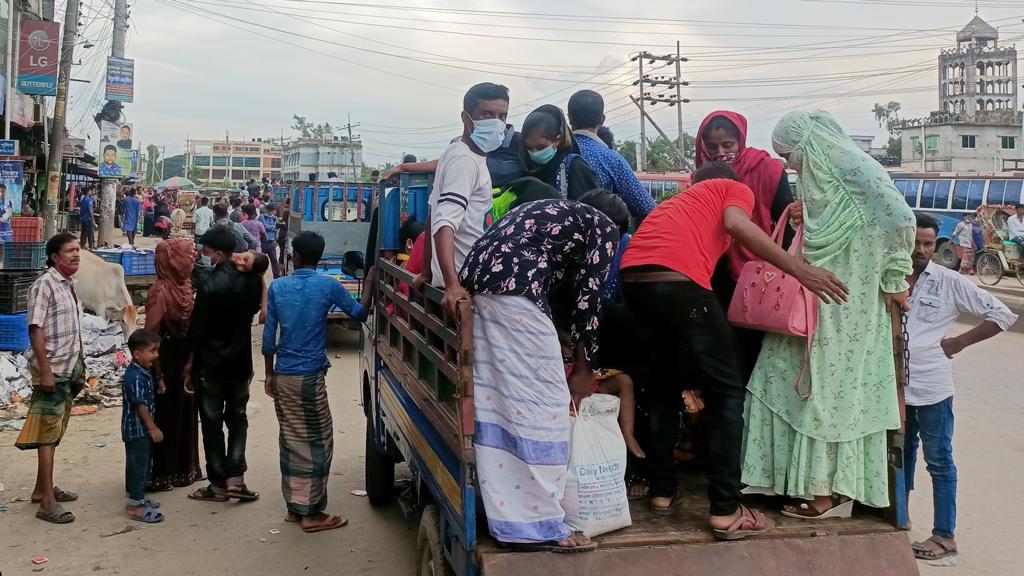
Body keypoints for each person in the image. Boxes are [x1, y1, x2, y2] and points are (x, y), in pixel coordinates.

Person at [619, 162, 846, 538]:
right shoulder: (731, 188)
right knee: (726, 392)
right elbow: (738, 226)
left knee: (661, 387)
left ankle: (662, 491)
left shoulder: (677, 205)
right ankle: (725, 509)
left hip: (636, 282)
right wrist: (800, 271)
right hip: (678, 281)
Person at [741, 110, 916, 519]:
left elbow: (900, 218)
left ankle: (827, 494)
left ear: (810, 144)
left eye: (790, 154)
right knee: (779, 376)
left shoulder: (856, 166)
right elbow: (846, 219)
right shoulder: (823, 172)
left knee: (827, 390)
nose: (789, 164)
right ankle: (783, 478)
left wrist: (894, 278)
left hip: (846, 302)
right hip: (811, 299)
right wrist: (809, 212)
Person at [459, 195, 624, 552]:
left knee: (504, 404)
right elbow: (589, 299)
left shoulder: (555, 212)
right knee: (543, 407)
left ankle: (510, 516)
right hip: (515, 287)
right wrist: (584, 368)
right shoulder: (605, 227)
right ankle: (540, 525)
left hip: (484, 280)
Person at [903, 213, 1016, 561]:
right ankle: (899, 517)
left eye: (927, 244)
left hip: (933, 388)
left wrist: (957, 343)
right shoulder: (891, 277)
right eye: (915, 243)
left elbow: (1002, 316)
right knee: (900, 456)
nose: (921, 250)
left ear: (936, 246)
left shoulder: (950, 282)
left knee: (939, 461)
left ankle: (944, 535)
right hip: (895, 388)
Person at [263, 231, 369, 533]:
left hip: (283, 374)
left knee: (291, 440)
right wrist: (371, 281)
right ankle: (311, 513)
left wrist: (269, 374)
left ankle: (295, 508)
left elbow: (269, 338)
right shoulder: (328, 286)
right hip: (309, 377)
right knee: (318, 443)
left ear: (294, 255)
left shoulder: (278, 287)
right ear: (319, 257)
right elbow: (359, 313)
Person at [698, 111, 795, 380]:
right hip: (716, 271)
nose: (721, 152)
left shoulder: (769, 169)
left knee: (755, 347)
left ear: (740, 139)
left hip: (760, 272)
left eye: (728, 145)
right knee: (725, 345)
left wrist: (784, 267)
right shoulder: (704, 174)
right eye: (713, 146)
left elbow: (784, 221)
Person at [186, 227, 263, 503]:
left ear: (218, 253)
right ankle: (236, 479)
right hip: (240, 362)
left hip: (211, 365)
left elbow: (197, 329)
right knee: (238, 418)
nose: (203, 255)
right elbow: (253, 312)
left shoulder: (208, 284)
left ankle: (217, 483)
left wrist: (189, 362)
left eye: (206, 251)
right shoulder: (252, 282)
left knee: (211, 422)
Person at [417, 82, 510, 309]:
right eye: (487, 114)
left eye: (502, 115)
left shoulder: (457, 152)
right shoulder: (466, 161)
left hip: (466, 275)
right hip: (467, 279)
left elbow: (433, 212)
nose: (496, 123)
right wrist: (452, 285)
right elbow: (444, 221)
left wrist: (427, 269)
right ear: (467, 119)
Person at [15, 234, 87, 524]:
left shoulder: (69, 285)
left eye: (78, 250)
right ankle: (47, 503)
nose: (76, 255)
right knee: (47, 435)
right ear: (55, 257)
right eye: (70, 250)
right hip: (52, 370)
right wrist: (45, 371)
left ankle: (40, 489)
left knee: (54, 432)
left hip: (68, 368)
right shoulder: (44, 285)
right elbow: (36, 330)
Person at [145, 239, 203, 491]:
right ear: (172, 260)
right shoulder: (160, 291)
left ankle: (184, 469)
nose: (191, 261)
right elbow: (150, 335)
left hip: (186, 360)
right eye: (186, 256)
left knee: (186, 412)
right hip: (166, 360)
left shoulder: (186, 285)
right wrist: (156, 373)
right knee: (167, 413)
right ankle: (164, 472)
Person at [567, 90, 655, 219]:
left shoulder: (554, 153)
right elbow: (647, 208)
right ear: (602, 119)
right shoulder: (611, 159)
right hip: (598, 235)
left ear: (569, 117)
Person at [121, 329, 166, 524]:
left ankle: (137, 496)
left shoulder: (141, 371)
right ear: (138, 354)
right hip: (137, 430)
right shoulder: (134, 377)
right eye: (153, 351)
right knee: (138, 465)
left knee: (141, 463)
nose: (156, 355)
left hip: (139, 430)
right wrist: (152, 427)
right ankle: (135, 505)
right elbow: (139, 404)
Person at [519, 104, 598, 200]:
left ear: (557, 140)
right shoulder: (525, 168)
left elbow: (589, 210)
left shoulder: (575, 168)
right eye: (529, 148)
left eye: (540, 147)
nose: (534, 153)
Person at [257, 204, 281, 278]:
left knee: (274, 261)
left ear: (274, 211)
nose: (271, 212)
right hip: (263, 242)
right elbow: (264, 226)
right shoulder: (261, 216)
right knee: (260, 261)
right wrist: (274, 227)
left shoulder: (275, 218)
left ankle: (277, 276)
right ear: (266, 210)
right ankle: (258, 276)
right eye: (269, 210)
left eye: (272, 211)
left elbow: (278, 227)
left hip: (271, 243)